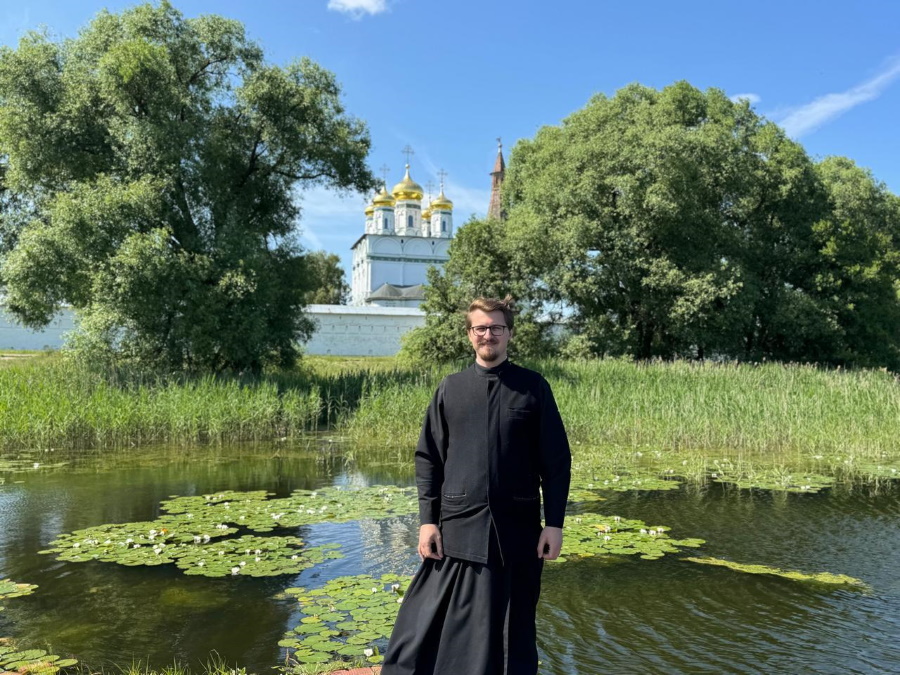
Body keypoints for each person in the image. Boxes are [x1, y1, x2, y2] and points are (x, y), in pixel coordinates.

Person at [382, 296, 571, 675]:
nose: (488, 335)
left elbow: (556, 462)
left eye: (496, 328)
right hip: (457, 528)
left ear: (509, 333)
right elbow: (428, 458)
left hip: (517, 530)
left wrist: (554, 524)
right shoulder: (450, 389)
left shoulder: (532, 387)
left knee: (514, 626)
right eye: (480, 328)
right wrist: (427, 521)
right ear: (470, 335)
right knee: (427, 623)